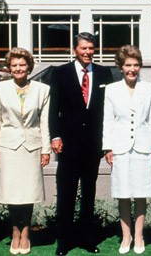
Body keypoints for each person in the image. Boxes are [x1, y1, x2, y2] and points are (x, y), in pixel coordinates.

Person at [49, 32, 114, 255]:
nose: (87, 52)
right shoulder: (60, 73)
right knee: (65, 193)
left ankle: (87, 238)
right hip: (68, 145)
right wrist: (55, 136)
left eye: (91, 48)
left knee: (89, 193)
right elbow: (53, 108)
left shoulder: (105, 73)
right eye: (83, 48)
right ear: (75, 49)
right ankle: (64, 240)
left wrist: (108, 144)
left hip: (92, 145)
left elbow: (110, 111)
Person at [0, 48, 50, 255]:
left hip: (32, 147)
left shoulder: (42, 89)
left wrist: (46, 149)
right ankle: (15, 231)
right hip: (8, 147)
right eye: (14, 65)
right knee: (12, 193)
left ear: (29, 67)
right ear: (9, 67)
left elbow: (44, 122)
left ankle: (26, 233)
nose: (18, 69)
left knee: (28, 193)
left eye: (22, 65)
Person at [102, 45, 151, 254]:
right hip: (120, 147)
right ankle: (125, 236)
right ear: (120, 67)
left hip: (143, 146)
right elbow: (108, 120)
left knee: (141, 192)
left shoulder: (149, 88)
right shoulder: (111, 89)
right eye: (128, 65)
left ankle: (138, 235)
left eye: (136, 65)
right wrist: (107, 147)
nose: (132, 69)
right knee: (123, 193)